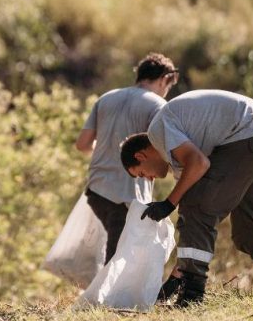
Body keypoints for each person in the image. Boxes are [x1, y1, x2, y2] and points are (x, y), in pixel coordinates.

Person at [119, 89, 253, 307]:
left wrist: (168, 203)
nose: (149, 179)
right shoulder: (179, 154)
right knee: (248, 229)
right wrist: (177, 274)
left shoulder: (157, 131)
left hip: (249, 139)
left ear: (140, 156)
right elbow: (193, 183)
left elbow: (199, 165)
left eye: (142, 173)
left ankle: (191, 297)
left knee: (196, 208)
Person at [74, 53, 177, 262]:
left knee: (116, 250)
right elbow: (161, 150)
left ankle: (101, 292)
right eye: (168, 86)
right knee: (119, 256)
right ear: (164, 79)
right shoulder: (157, 105)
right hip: (127, 194)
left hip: (96, 190)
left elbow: (82, 144)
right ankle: (106, 295)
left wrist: (106, 151)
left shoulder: (106, 97)